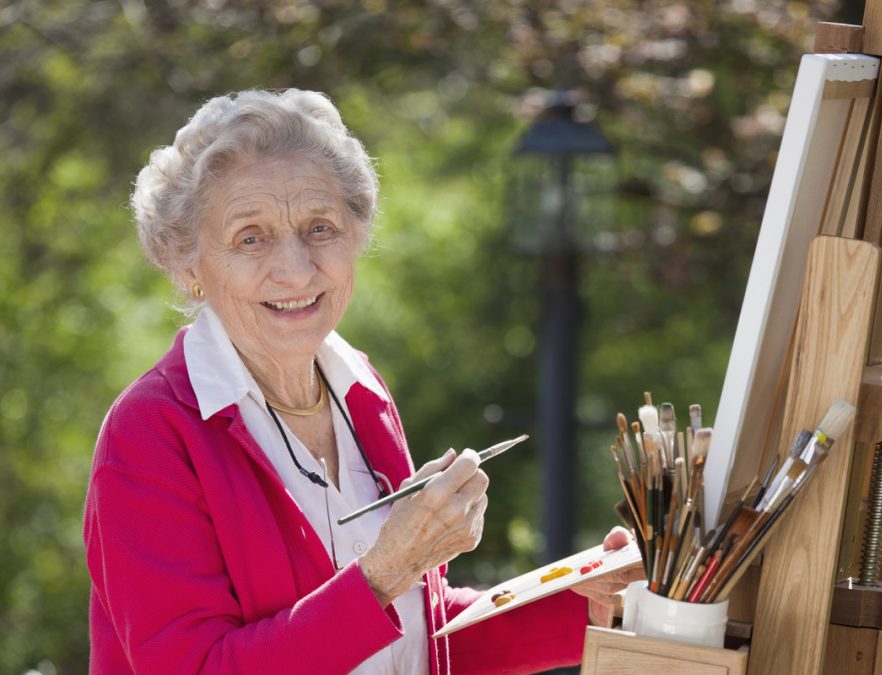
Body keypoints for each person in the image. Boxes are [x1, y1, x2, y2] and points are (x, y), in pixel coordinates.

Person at [83, 89, 639, 674]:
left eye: (320, 228)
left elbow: (412, 635)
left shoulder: (359, 389)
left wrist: (585, 604)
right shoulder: (150, 431)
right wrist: (387, 570)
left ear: (357, 237)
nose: (296, 269)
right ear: (190, 265)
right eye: (252, 237)